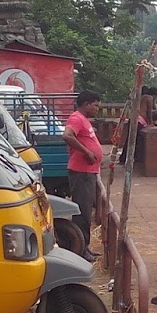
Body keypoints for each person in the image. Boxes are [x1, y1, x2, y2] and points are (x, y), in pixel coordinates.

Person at [63, 90, 103, 258]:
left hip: (88, 172)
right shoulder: (76, 119)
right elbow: (67, 135)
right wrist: (86, 151)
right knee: (82, 213)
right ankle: (81, 249)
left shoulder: (84, 120)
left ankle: (84, 245)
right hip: (82, 172)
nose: (97, 109)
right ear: (86, 104)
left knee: (86, 212)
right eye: (95, 105)